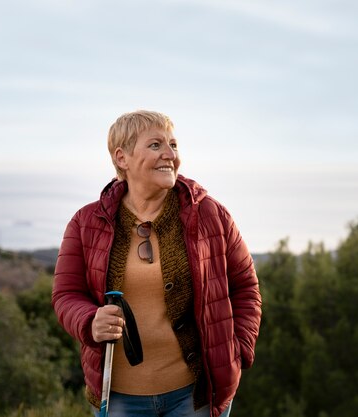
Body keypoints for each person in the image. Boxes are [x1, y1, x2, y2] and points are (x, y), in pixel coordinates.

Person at [52, 110, 261, 417]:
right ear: (122, 158)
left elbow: (246, 288)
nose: (169, 154)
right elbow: (65, 295)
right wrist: (89, 320)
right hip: (120, 400)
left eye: (173, 145)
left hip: (196, 397)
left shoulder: (210, 215)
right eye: (155, 145)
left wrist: (236, 351)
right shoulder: (86, 222)